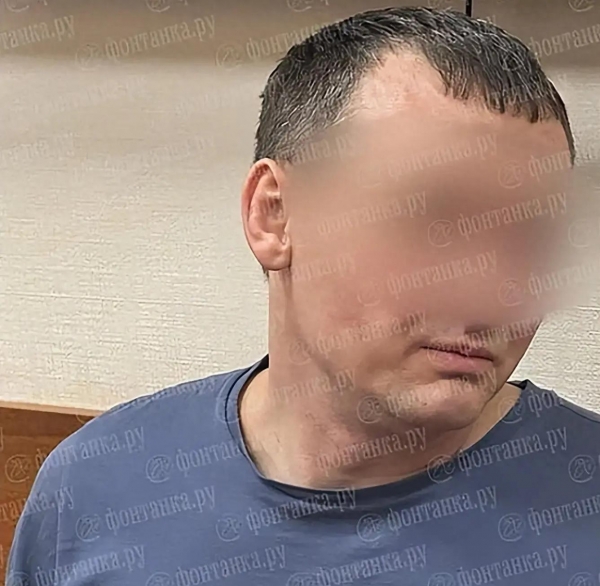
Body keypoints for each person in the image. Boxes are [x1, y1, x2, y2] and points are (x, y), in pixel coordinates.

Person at [7, 6, 599, 586]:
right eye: (434, 224)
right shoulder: (96, 487)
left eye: (533, 240)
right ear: (275, 216)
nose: (492, 297)